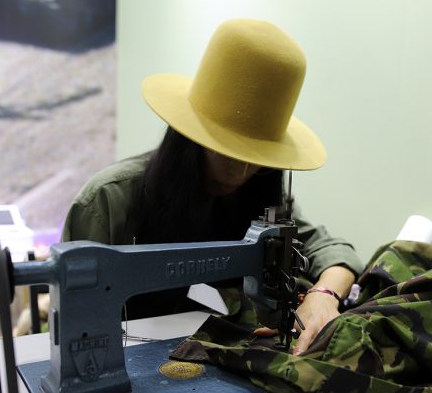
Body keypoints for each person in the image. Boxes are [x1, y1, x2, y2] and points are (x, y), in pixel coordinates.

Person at [61, 18, 363, 355]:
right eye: (227, 149)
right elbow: (76, 322)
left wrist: (323, 296)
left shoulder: (261, 196)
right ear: (188, 139)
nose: (240, 171)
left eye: (256, 156)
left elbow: (333, 249)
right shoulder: (106, 202)